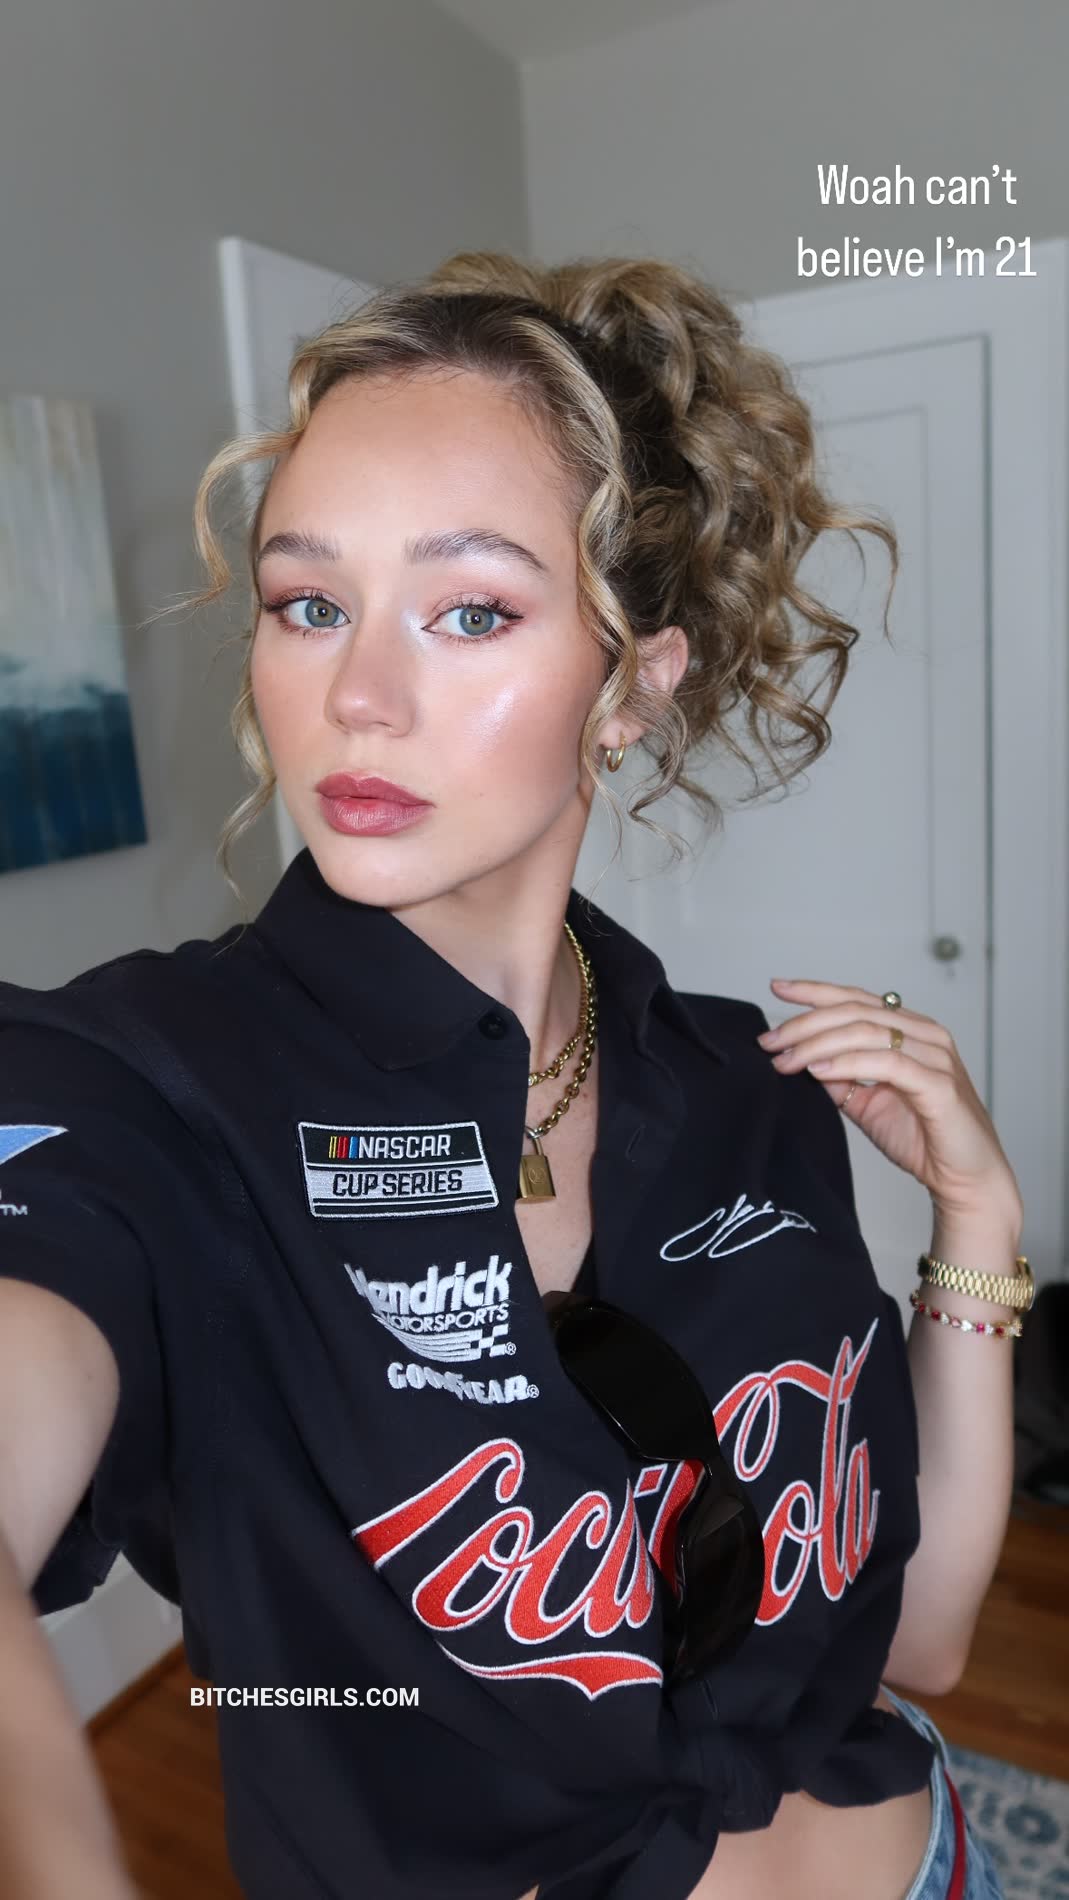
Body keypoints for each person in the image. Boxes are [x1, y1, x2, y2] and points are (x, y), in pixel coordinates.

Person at [0, 251, 1025, 1900]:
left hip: (925, 1864)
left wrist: (975, 1231)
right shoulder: (147, 1089)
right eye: (307, 603)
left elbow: (919, 1643)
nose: (357, 697)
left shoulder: (750, 1086)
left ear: (631, 685)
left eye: (469, 611)